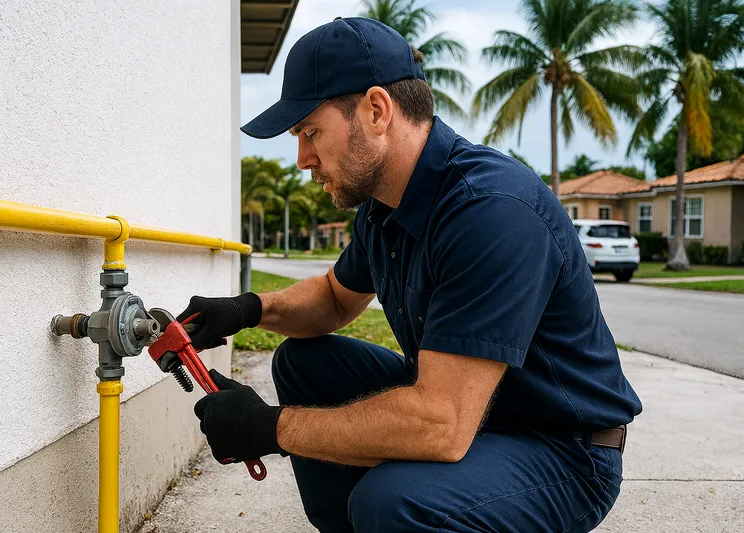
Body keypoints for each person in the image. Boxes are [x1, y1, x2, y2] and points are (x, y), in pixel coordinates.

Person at [178, 17, 642, 533]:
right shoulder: (382, 207)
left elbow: (440, 424)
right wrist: (247, 310)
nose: (303, 158)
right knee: (305, 363)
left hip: (561, 451)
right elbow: (334, 300)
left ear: (377, 110)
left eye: (311, 132)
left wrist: (268, 427)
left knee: (393, 503)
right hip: (477, 417)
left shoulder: (489, 211)